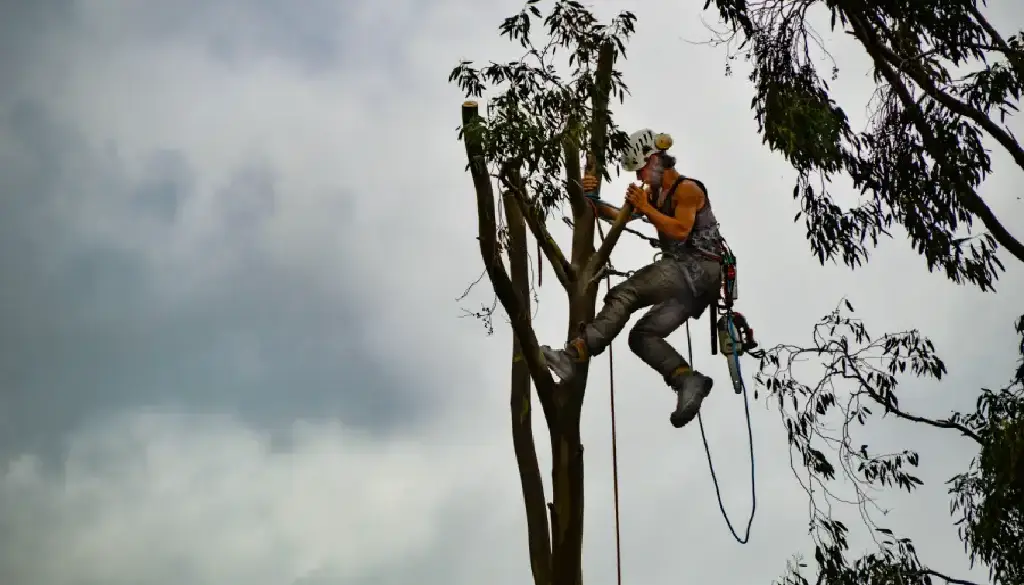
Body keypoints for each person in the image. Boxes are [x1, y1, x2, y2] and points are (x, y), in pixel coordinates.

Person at [540, 129, 725, 428]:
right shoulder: (654, 195)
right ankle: (687, 379)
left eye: (641, 168)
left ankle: (575, 354)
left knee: (626, 293)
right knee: (641, 337)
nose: (640, 176)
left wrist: (647, 207)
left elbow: (680, 230)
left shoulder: (687, 190)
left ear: (655, 159)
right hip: (691, 286)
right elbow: (620, 215)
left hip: (697, 268)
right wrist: (592, 199)